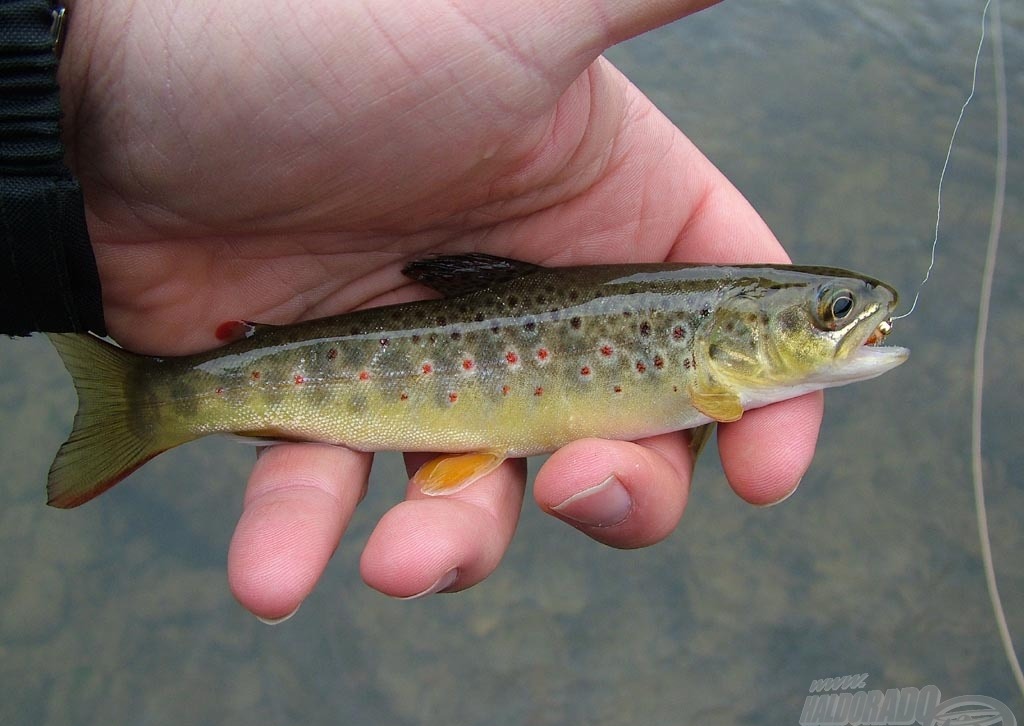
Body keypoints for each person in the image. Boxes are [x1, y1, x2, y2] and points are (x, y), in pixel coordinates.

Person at [3, 0, 822, 621]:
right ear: (735, 342)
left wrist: (77, 69)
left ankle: (155, 395)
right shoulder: (707, 372)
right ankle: (149, 398)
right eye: (832, 313)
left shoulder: (714, 368)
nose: (852, 321)